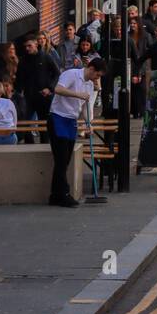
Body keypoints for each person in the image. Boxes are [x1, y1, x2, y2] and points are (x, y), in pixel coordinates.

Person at [48, 57, 106, 207]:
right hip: (58, 117)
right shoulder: (72, 74)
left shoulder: (88, 85)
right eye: (97, 75)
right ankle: (64, 193)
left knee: (65, 159)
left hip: (71, 120)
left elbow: (86, 107)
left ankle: (55, 195)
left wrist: (89, 123)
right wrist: (78, 95)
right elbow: (58, 89)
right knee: (61, 159)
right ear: (91, 69)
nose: (97, 79)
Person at [16, 34, 59, 139]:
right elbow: (19, 78)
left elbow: (57, 73)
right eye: (25, 46)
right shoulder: (23, 60)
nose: (27, 49)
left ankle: (44, 146)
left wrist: (50, 88)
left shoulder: (45, 56)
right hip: (28, 97)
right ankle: (28, 145)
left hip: (43, 96)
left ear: (36, 44)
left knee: (44, 124)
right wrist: (19, 91)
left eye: (29, 46)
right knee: (25, 123)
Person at [128, 16, 149, 118]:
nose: (132, 25)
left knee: (142, 89)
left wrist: (141, 71)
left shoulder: (145, 36)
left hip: (142, 65)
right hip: (131, 66)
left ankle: (142, 110)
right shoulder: (128, 36)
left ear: (139, 24)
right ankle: (134, 111)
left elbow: (148, 50)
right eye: (131, 23)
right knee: (133, 89)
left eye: (134, 23)